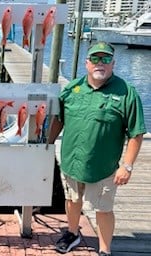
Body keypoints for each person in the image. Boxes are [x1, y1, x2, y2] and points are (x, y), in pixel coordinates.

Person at [48, 41, 146, 256]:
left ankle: (104, 249)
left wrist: (127, 166)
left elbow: (136, 134)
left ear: (113, 63)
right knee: (72, 200)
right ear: (87, 63)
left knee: (103, 209)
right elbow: (58, 120)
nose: (99, 63)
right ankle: (72, 233)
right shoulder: (72, 89)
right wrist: (45, 146)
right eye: (95, 58)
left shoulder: (126, 93)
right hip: (72, 161)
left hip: (104, 166)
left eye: (105, 59)